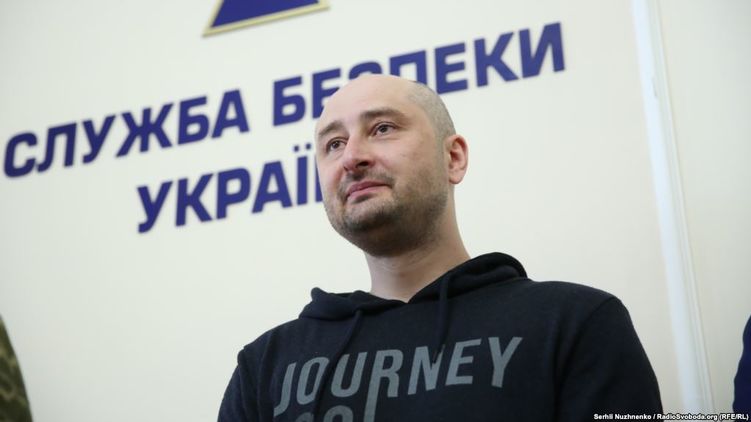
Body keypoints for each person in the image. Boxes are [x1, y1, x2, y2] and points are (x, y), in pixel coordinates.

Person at [218, 74, 663, 421]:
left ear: (453, 157)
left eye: (382, 128)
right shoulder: (266, 365)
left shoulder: (575, 324)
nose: (352, 157)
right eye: (334, 144)